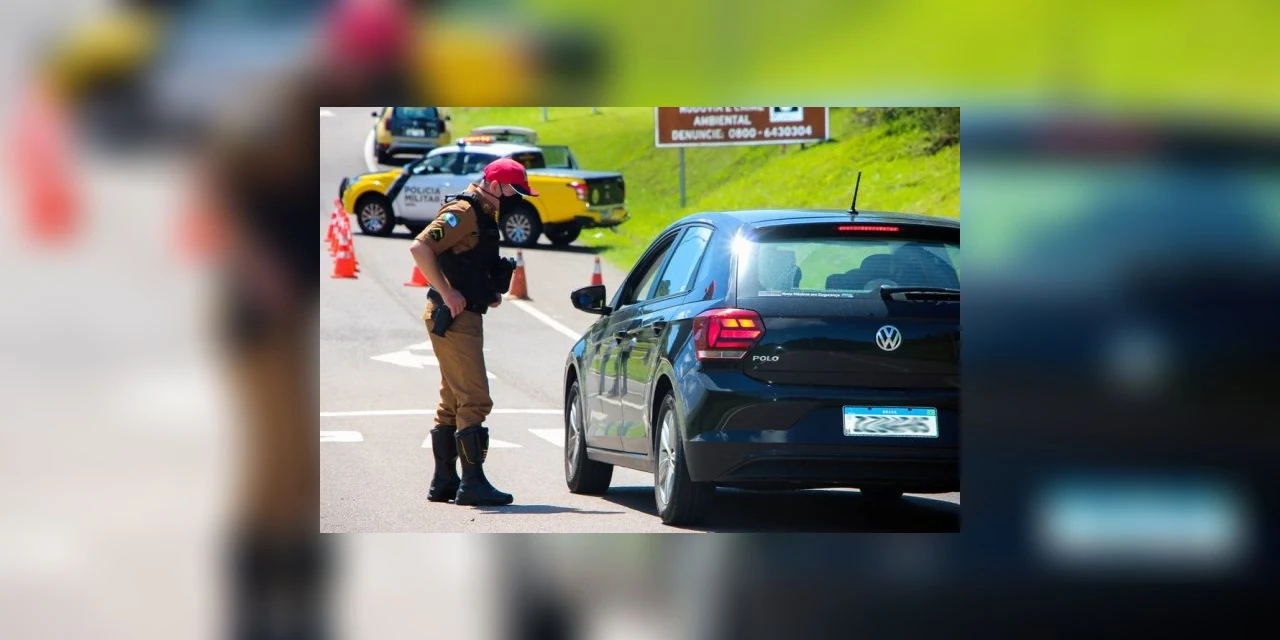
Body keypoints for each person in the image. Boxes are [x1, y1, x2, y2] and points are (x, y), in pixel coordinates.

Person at [408, 158, 535, 506]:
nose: (517, 199)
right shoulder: (463, 211)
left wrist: (486, 290)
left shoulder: (483, 212)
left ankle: (444, 482)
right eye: (514, 191)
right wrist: (448, 293)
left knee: (452, 400)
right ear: (494, 186)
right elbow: (420, 248)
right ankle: (473, 484)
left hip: (463, 314)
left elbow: (466, 259)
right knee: (475, 398)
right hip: (454, 318)